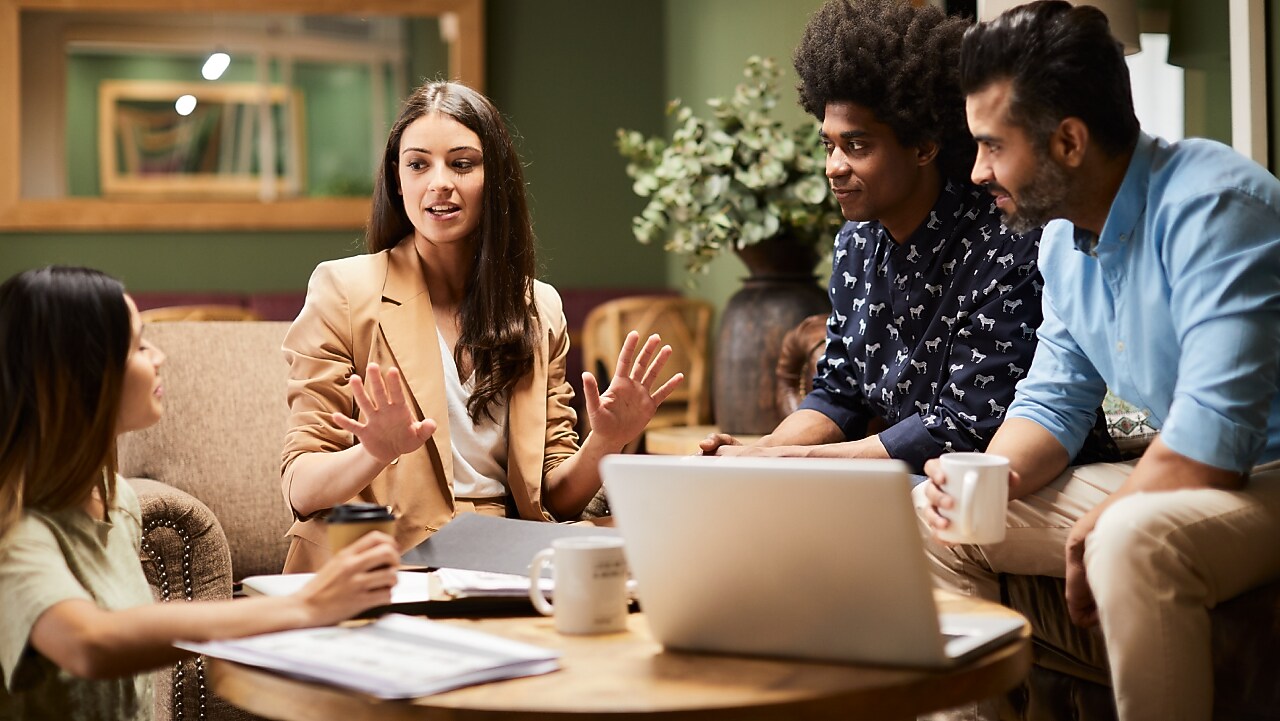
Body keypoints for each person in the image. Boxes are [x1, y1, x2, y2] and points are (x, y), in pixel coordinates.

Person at [917, 3, 1280, 720]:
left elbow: (1213, 433)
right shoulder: (1061, 242)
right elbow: (1051, 401)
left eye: (992, 146)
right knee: (931, 522)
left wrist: (1109, 512)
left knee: (1129, 536)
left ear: (1070, 142)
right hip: (1198, 474)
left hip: (1265, 471)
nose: (979, 170)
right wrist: (987, 480)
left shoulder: (1215, 205)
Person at [281, 80, 682, 572]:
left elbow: (554, 499)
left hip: (506, 559)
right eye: (418, 163)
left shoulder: (538, 308)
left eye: (462, 163)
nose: (440, 182)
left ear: (495, 179)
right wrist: (374, 453)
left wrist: (608, 440)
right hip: (385, 560)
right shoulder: (342, 290)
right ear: (397, 178)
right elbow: (300, 486)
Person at [701, 0, 1114, 473]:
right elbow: (838, 393)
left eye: (856, 146)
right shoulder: (853, 246)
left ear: (922, 147)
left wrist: (796, 457)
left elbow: (962, 428)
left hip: (1020, 480)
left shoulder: (1010, 243)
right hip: (910, 481)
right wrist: (755, 454)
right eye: (828, 145)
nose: (834, 168)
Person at [0, 266, 400, 721]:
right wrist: (304, 606)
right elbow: (89, 644)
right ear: (80, 377)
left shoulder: (116, 506)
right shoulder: (16, 537)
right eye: (138, 345)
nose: (159, 357)